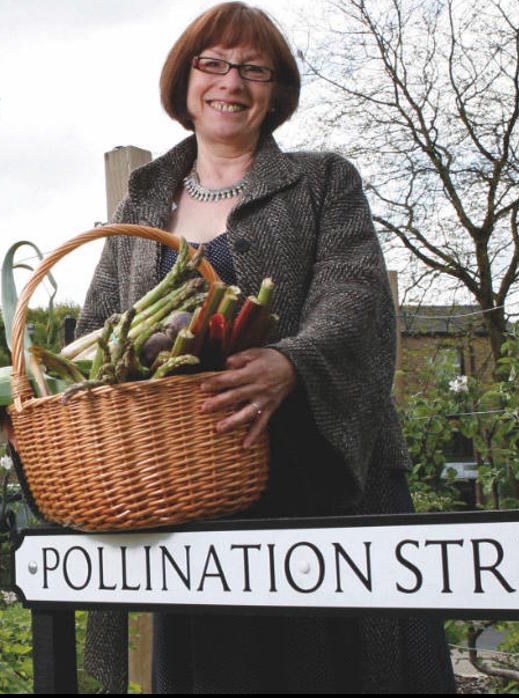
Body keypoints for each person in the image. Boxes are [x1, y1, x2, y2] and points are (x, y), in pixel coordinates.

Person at [77, 2, 456, 692]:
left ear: (277, 92)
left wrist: (293, 362)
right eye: (213, 63)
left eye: (255, 69)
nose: (232, 82)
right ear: (184, 81)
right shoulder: (141, 203)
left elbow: (356, 294)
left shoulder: (322, 182)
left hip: (319, 482)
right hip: (195, 494)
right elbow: (96, 329)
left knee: (341, 671)